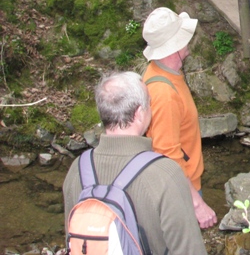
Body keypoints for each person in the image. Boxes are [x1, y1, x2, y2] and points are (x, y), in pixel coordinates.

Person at [62, 71, 207, 254]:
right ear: (139, 113)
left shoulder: (77, 169)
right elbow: (189, 250)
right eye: (149, 104)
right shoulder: (166, 173)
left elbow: (72, 241)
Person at [141, 7, 217, 229]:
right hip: (179, 192)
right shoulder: (164, 94)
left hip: (180, 187)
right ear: (175, 46)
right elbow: (166, 154)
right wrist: (196, 203)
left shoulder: (161, 71)